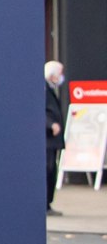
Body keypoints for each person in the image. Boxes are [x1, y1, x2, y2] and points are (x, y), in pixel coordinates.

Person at [49, 60, 70, 216]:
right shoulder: (43, 90)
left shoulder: (50, 89)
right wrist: (51, 124)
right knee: (48, 169)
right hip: (48, 139)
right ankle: (46, 203)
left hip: (52, 140)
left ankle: (48, 202)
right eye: (60, 73)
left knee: (52, 169)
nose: (61, 77)